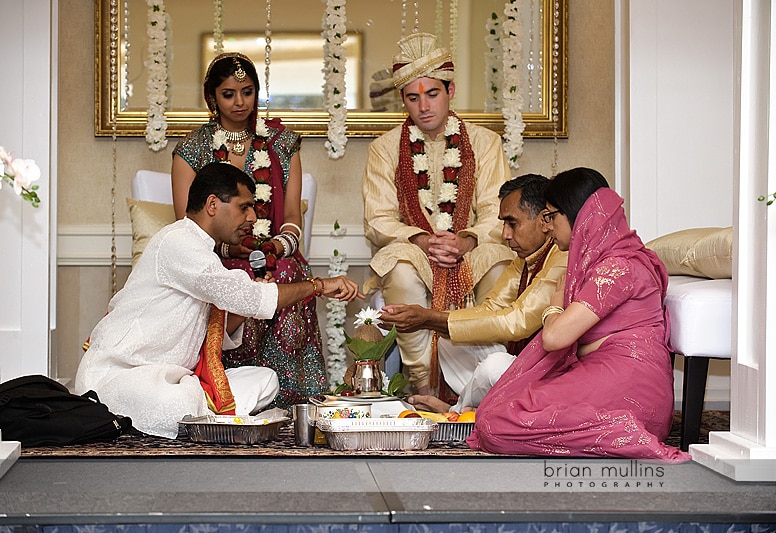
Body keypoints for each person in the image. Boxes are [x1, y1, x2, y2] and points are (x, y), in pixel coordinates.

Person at [75, 163, 363, 439]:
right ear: (213, 205)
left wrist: (250, 305)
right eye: (243, 207)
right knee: (173, 405)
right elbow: (251, 299)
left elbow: (217, 329)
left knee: (264, 379)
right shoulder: (179, 243)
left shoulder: (202, 249)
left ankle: (204, 414)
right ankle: (201, 415)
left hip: (176, 377)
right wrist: (318, 285)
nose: (252, 217)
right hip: (123, 374)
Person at [467, 167, 690, 461]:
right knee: (496, 414)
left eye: (550, 216)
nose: (547, 227)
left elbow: (556, 338)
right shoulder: (604, 259)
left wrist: (555, 306)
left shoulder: (617, 266)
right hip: (609, 374)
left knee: (496, 424)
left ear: (577, 214)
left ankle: (622, 432)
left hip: (631, 387)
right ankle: (613, 428)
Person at [362, 33, 514, 397]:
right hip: (415, 247)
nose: (424, 106)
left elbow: (497, 209)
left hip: (475, 245)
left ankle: (493, 384)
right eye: (413, 98)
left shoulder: (485, 142)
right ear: (403, 101)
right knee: (399, 268)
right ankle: (422, 387)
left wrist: (467, 239)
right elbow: (378, 218)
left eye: (432, 94)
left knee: (499, 266)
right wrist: (422, 239)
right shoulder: (384, 150)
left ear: (451, 91)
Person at [171, 52, 324, 408]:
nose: (239, 102)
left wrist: (278, 247)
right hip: (215, 257)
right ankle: (230, 385)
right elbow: (188, 226)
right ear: (212, 97)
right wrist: (230, 251)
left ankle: (292, 394)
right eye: (228, 93)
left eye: (248, 91)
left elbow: (291, 215)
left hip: (275, 252)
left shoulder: (283, 144)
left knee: (283, 270)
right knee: (235, 275)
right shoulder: (191, 149)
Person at [379, 174, 567, 413]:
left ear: (544, 220)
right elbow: (491, 309)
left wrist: (429, 318)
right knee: (450, 340)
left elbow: (518, 321)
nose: (506, 234)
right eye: (503, 224)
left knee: (494, 367)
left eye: (512, 223)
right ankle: (482, 409)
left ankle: (457, 412)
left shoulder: (562, 255)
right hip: (524, 366)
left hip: (554, 374)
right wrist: (431, 320)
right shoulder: (526, 257)